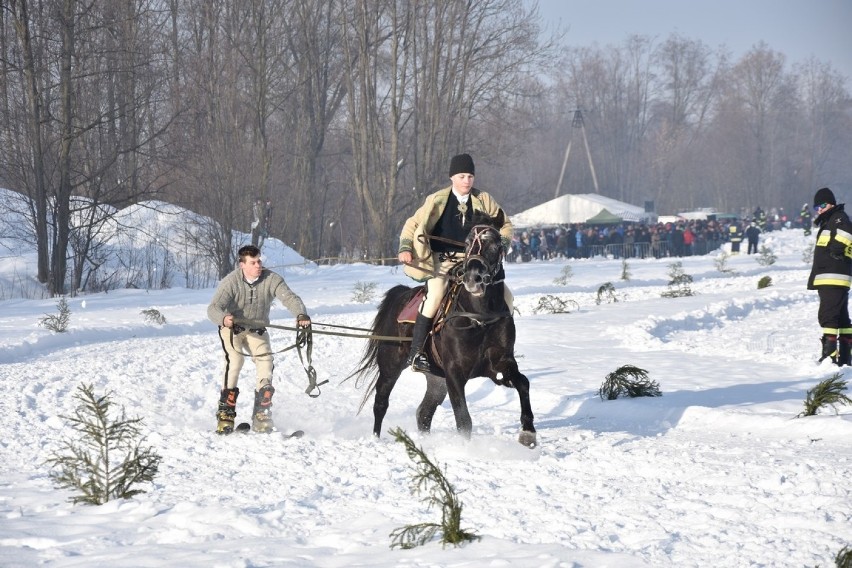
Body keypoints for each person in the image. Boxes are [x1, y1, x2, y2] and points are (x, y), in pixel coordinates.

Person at [397, 153, 513, 373]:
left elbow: (505, 225)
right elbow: (412, 224)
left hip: (475, 260)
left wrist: (502, 245)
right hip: (444, 261)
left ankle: (502, 348)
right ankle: (416, 353)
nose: (467, 181)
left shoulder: (484, 200)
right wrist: (405, 248)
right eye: (462, 176)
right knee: (435, 296)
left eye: (470, 176)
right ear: (452, 177)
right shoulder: (437, 200)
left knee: (507, 296)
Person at [207, 245, 311, 433]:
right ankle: (226, 413)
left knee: (266, 360)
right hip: (233, 329)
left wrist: (301, 315)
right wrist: (223, 318)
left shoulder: (272, 279)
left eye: (259, 261)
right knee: (235, 361)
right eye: (253, 262)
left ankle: (261, 413)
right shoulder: (230, 282)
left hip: (257, 329)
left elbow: (290, 298)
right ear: (242, 265)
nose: (258, 265)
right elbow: (213, 308)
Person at [807, 187, 852, 366]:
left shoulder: (837, 217)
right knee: (841, 317)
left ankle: (830, 355)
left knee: (828, 315)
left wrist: (836, 250)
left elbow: (846, 233)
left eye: (822, 205)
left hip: (832, 276)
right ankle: (846, 356)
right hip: (833, 277)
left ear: (831, 203)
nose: (819, 209)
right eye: (816, 207)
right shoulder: (829, 220)